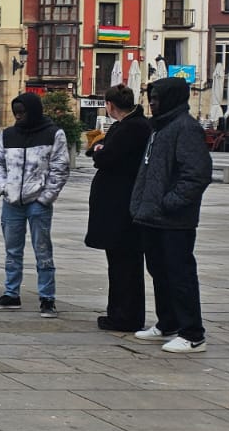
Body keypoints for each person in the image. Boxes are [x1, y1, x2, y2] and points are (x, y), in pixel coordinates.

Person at [130, 76, 214, 353]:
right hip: (151, 215)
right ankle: (168, 322)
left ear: (171, 99)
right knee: (159, 272)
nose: (152, 103)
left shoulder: (185, 128)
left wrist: (171, 202)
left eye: (156, 98)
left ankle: (192, 334)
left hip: (174, 219)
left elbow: (197, 174)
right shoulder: (159, 127)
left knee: (180, 275)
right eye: (150, 98)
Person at [0, 91, 69, 317]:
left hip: (38, 201)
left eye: (22, 112)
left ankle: (47, 298)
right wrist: (4, 188)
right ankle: (11, 293)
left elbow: (60, 167)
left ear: (33, 111)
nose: (18, 116)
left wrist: (46, 196)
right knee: (12, 251)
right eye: (15, 112)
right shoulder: (8, 135)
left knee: (43, 250)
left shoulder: (53, 134)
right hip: (12, 200)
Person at [84, 85, 151, 333]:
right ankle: (120, 313)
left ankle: (125, 316)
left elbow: (106, 158)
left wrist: (99, 150)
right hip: (121, 204)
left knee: (124, 264)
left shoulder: (131, 128)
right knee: (121, 263)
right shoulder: (131, 125)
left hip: (121, 207)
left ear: (110, 105)